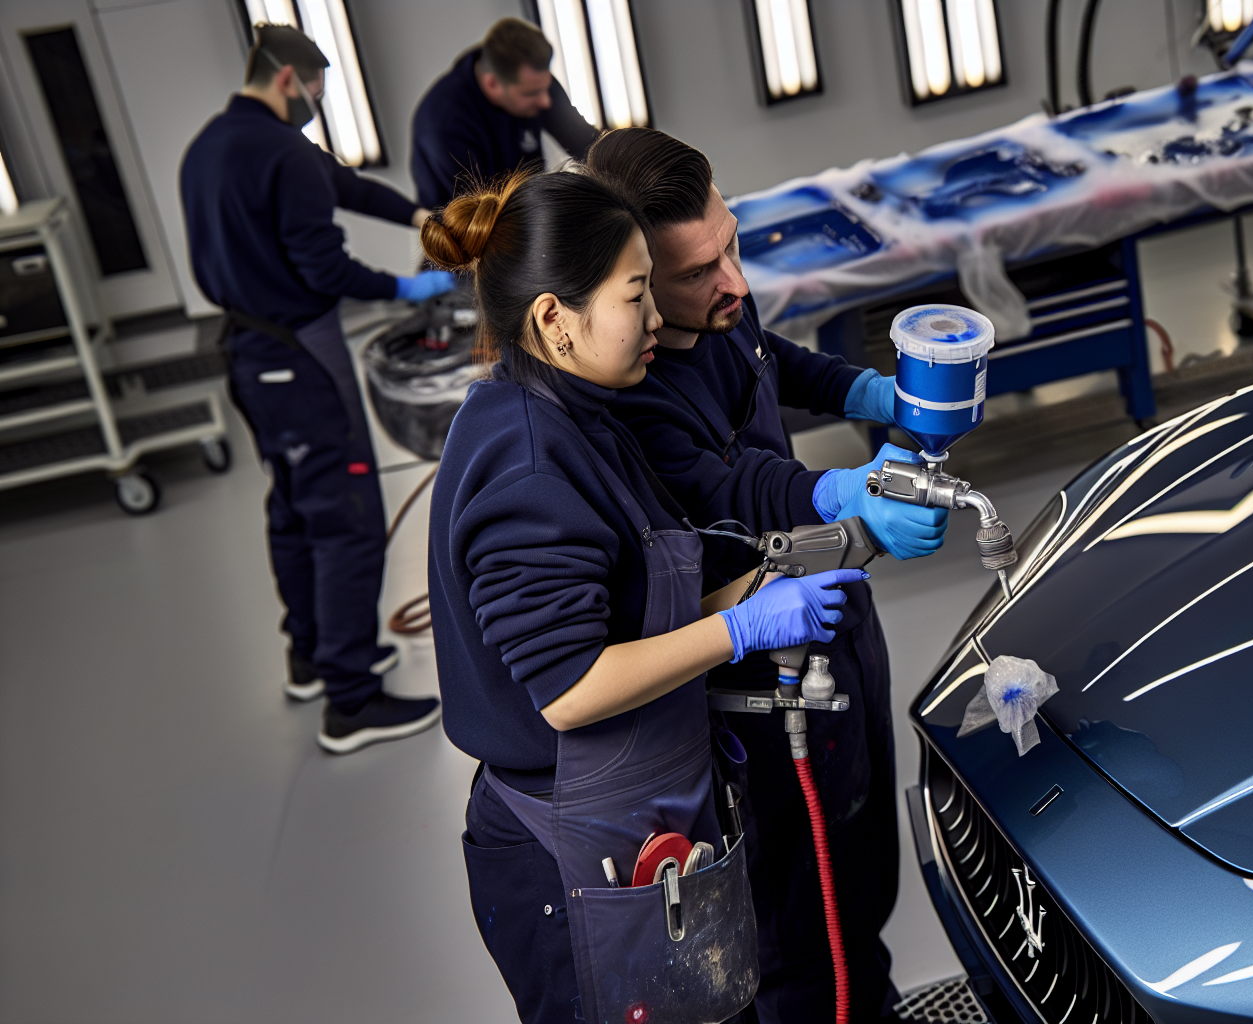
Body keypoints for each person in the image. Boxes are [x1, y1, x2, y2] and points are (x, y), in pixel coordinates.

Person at [424, 169, 866, 1023]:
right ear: (555, 319)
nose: (659, 317)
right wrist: (740, 628)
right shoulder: (528, 466)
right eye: (637, 296)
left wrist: (772, 582)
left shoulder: (580, 413)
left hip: (639, 803)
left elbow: (632, 614)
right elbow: (572, 688)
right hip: (571, 841)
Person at [590, 128, 918, 1023]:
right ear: (633, 282)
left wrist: (866, 392)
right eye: (698, 271)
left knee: (861, 868)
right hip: (756, 662)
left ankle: (869, 997)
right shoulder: (630, 393)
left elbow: (771, 361)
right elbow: (728, 483)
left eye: (730, 244)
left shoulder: (723, 304)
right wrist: (843, 489)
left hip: (827, 611)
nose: (733, 281)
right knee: (799, 919)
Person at [180, 23, 454, 753]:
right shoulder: (281, 153)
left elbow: (344, 185)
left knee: (295, 507)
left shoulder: (210, 146)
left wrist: (419, 215)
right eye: (316, 93)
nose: (315, 106)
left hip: (247, 353)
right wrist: (408, 287)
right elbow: (326, 270)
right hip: (299, 356)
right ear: (288, 80)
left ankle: (309, 657)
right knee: (347, 517)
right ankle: (352, 699)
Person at [410, 18, 599, 211]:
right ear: (492, 84)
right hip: (470, 221)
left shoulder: (535, 82)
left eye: (546, 87)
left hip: (524, 204)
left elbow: (588, 143)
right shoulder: (444, 123)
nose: (546, 102)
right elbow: (482, 212)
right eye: (531, 94)